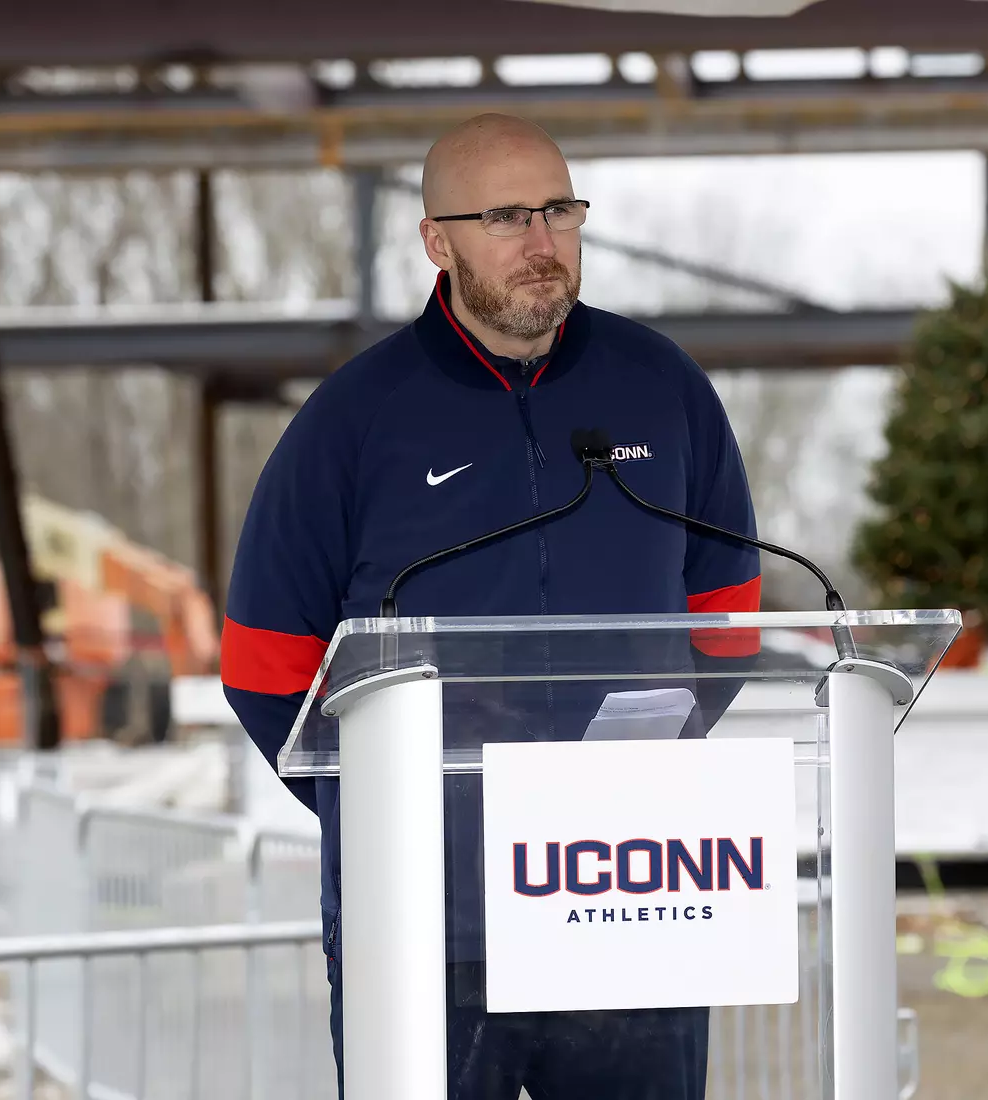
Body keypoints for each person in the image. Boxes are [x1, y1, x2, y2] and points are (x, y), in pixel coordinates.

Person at [220, 112, 762, 1099]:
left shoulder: (662, 389)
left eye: (560, 209)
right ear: (437, 240)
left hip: (631, 895)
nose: (543, 242)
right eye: (507, 216)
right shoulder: (353, 419)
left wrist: (630, 768)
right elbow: (265, 665)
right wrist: (384, 801)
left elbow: (726, 617)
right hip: (427, 911)